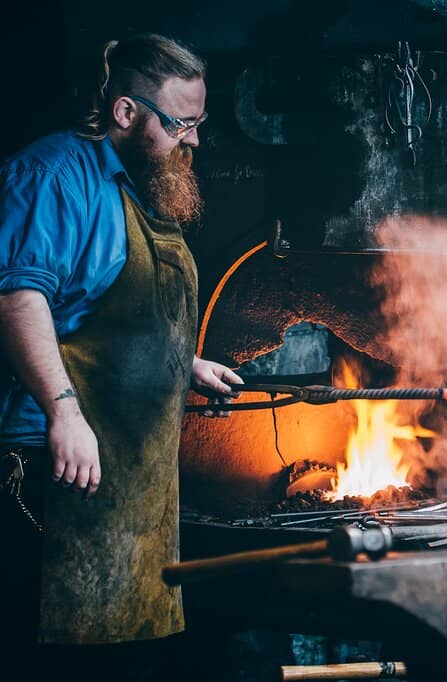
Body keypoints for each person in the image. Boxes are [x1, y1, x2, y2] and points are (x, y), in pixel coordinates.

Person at [0, 34, 241, 679]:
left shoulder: (139, 186)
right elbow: (19, 300)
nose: (191, 140)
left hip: (130, 477)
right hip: (51, 466)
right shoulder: (55, 175)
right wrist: (63, 415)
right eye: (180, 124)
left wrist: (180, 364)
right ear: (127, 112)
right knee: (49, 656)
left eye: (198, 123)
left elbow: (100, 312)